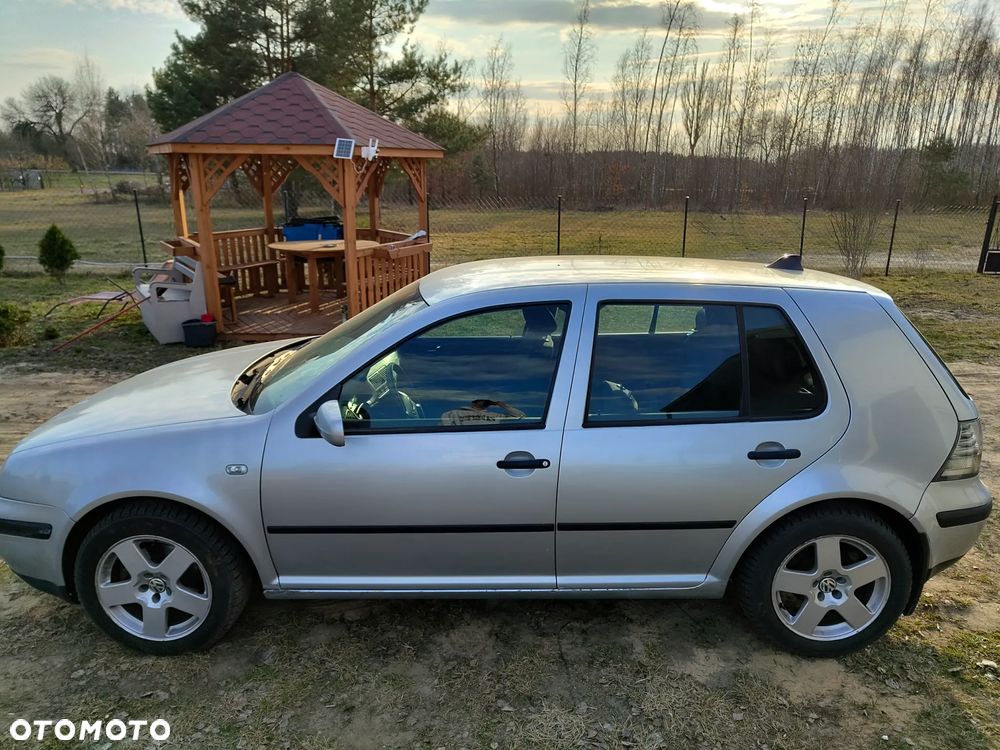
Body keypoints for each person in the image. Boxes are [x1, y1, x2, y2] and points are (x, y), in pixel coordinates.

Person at [441, 399, 525, 426]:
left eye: (487, 401)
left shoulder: (495, 415)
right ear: (474, 402)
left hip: (488, 443)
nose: (485, 402)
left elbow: (520, 416)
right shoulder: (456, 413)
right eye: (482, 400)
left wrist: (504, 406)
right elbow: (444, 424)